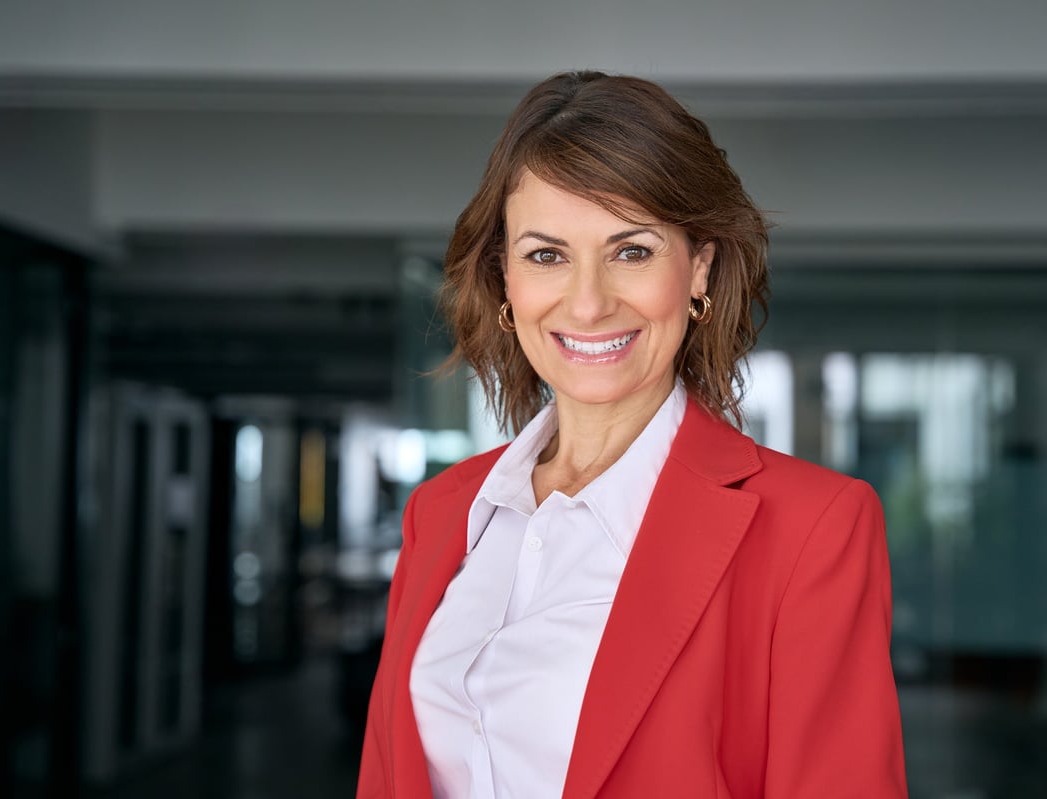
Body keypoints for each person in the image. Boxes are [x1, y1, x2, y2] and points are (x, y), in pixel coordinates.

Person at [357, 70, 907, 799]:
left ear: (699, 268)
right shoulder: (443, 513)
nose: (588, 303)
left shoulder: (812, 529)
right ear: (505, 281)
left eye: (633, 250)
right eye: (546, 255)